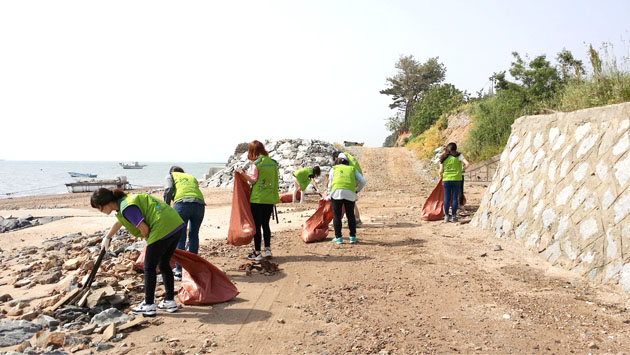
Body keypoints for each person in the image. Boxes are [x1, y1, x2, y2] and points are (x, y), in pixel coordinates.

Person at [91, 188, 184, 316]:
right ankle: (169, 301)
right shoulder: (124, 203)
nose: (100, 211)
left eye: (99, 208)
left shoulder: (127, 207)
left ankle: (149, 304)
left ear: (105, 203)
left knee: (149, 267)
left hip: (162, 228)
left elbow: (144, 228)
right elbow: (120, 222)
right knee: (163, 264)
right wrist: (107, 237)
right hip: (175, 225)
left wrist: (149, 242)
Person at [235, 140, 280, 260]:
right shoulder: (273, 163)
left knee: (257, 225)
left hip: (258, 199)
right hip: (270, 199)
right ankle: (268, 250)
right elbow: (276, 181)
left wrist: (241, 173)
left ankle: (257, 252)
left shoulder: (256, 163)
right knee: (266, 224)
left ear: (252, 151)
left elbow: (253, 180)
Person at [164, 166, 206, 281]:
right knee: (193, 235)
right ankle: (192, 268)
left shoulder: (170, 175)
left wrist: (166, 205)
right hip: (200, 205)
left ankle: (179, 270)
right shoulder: (191, 177)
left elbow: (168, 189)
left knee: (180, 237)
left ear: (171, 172)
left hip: (183, 204)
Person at [326, 153, 366, 244]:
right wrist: (356, 190)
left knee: (337, 215)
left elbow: (330, 183)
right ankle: (352, 237)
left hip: (336, 193)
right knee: (350, 215)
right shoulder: (352, 169)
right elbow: (363, 181)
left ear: (338, 160)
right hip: (350, 194)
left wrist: (329, 195)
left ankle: (338, 238)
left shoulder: (334, 169)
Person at [438, 142, 470, 223]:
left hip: (446, 179)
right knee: (455, 198)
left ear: (447, 148)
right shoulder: (459, 156)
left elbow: (441, 171)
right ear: (455, 148)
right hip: (457, 179)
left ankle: (446, 216)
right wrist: (462, 169)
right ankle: (454, 216)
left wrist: (440, 175)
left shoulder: (443, 157)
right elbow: (467, 164)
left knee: (446, 198)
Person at [332, 151, 364, 226]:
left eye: (335, 160)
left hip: (355, 178)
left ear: (336, 158)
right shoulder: (348, 157)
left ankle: (356, 219)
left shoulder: (342, 158)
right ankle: (355, 218)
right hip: (357, 177)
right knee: (349, 198)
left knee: (348, 198)